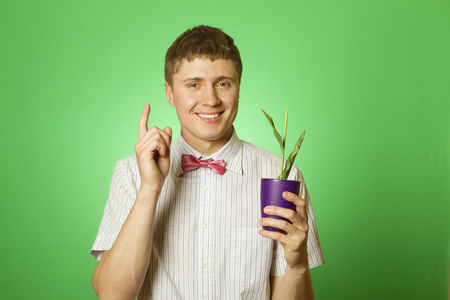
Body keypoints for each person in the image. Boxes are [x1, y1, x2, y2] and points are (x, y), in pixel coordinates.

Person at [91, 25, 324, 299]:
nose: (211, 99)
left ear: (238, 89)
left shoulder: (282, 176)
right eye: (193, 85)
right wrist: (150, 189)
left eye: (223, 83)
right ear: (169, 93)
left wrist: (297, 267)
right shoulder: (130, 173)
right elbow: (112, 295)